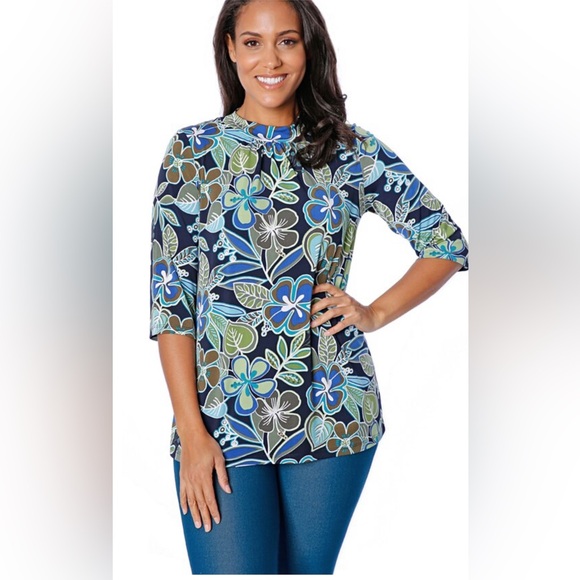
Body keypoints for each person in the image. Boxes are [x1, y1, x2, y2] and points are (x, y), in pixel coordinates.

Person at [149, 0, 469, 574]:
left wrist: (374, 313)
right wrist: (192, 433)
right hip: (223, 413)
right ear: (230, 48)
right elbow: (172, 302)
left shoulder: (350, 150)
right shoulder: (192, 152)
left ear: (308, 47)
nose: (270, 60)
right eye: (253, 42)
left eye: (287, 41)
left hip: (332, 406)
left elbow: (445, 242)